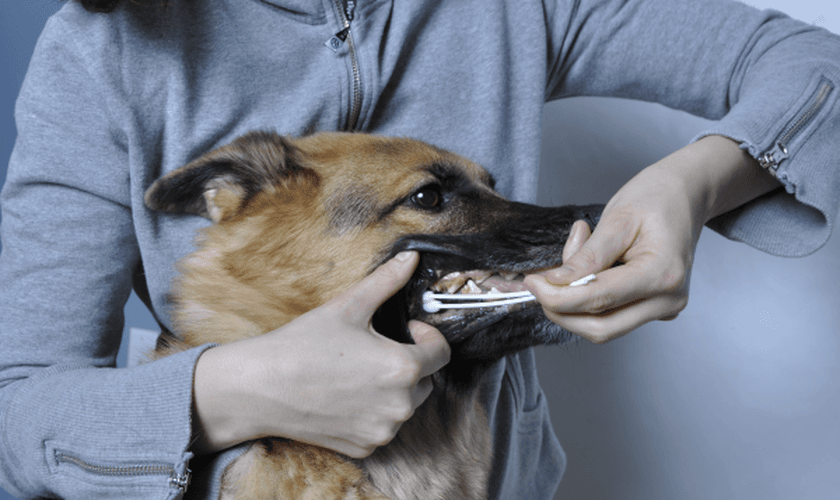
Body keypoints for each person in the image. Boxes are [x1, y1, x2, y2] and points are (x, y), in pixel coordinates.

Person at [0, 0, 837, 498]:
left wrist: (694, 184)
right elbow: (15, 407)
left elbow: (810, 63)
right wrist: (238, 390)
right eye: (436, 198)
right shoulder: (103, 55)